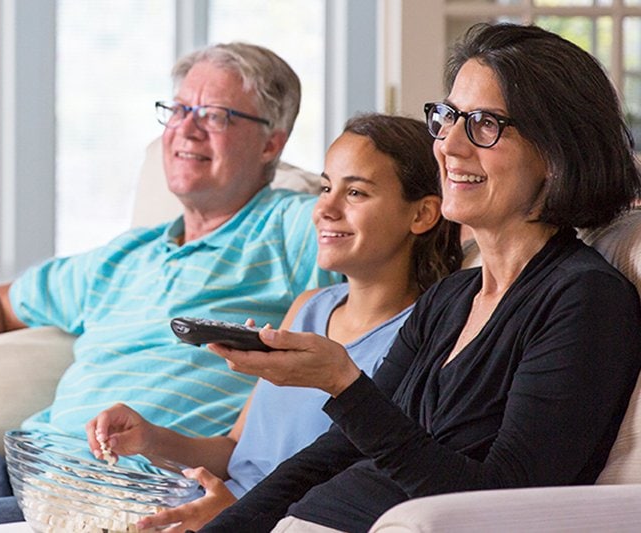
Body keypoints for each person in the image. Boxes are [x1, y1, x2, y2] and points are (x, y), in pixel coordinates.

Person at [0, 42, 340, 532]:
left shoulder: (295, 228)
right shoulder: (124, 255)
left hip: (134, 486)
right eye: (178, 109)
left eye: (214, 115)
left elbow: (378, 255)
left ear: (272, 140)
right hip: (23, 468)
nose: (185, 130)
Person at [202, 23, 641, 532]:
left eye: (483, 123)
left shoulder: (584, 300)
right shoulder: (452, 297)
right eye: (448, 117)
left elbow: (503, 501)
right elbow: (330, 455)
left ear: (555, 151)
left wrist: (344, 384)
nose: (449, 145)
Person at [83, 113, 463, 532]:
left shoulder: (426, 336)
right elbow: (234, 452)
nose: (325, 209)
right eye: (325, 188)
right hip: (198, 510)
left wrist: (239, 514)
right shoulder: (309, 307)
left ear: (423, 214)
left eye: (355, 192)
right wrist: (150, 439)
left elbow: (364, 491)